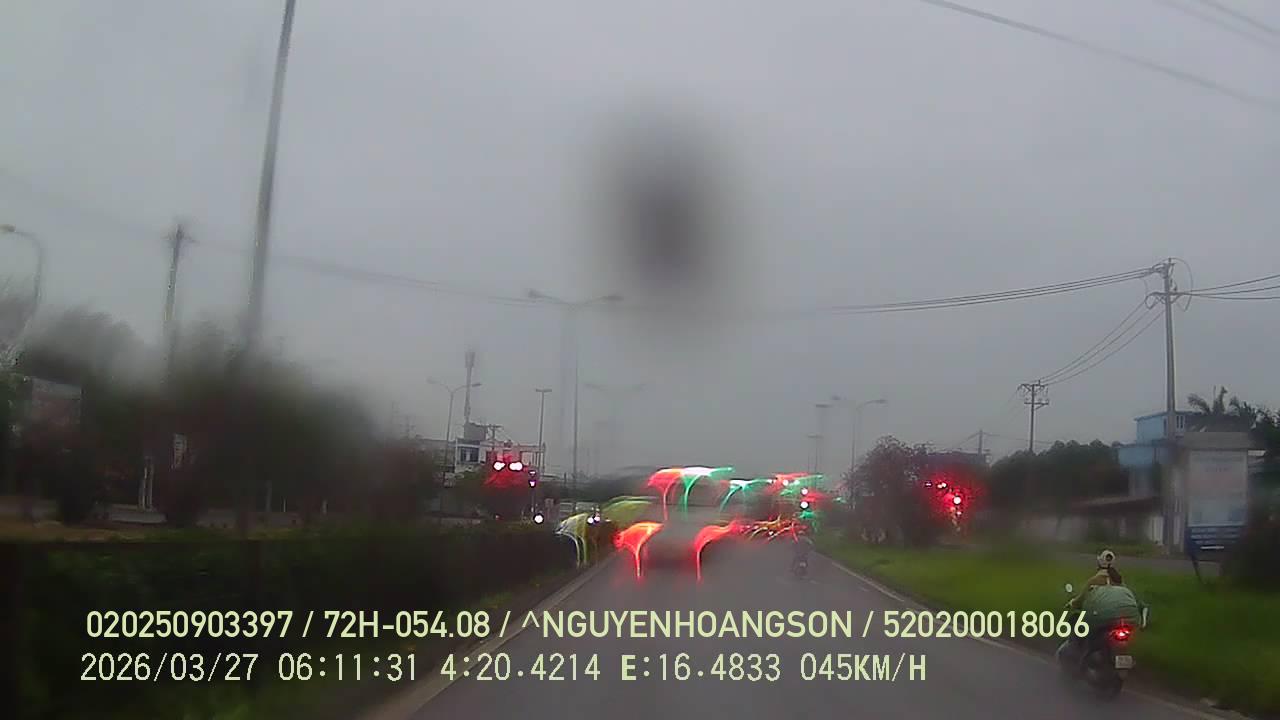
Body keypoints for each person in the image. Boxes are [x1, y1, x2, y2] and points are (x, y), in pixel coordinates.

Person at [1057, 550, 1143, 667]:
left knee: (1082, 630)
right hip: (1123, 618)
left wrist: (1072, 604)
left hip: (1102, 618)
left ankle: (1082, 658)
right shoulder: (1119, 581)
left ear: (1099, 563)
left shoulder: (1094, 580)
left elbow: (1081, 599)